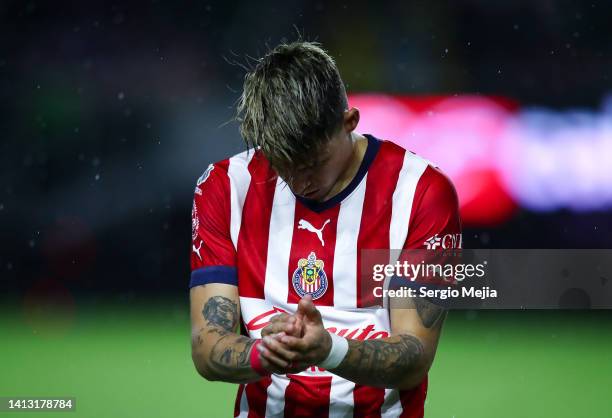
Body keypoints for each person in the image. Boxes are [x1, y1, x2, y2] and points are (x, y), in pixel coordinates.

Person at [189, 40, 461, 417]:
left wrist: (327, 350)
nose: (300, 183)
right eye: (284, 165)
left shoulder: (422, 192)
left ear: (350, 122)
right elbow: (206, 347)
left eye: (313, 163)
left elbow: (415, 355)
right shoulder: (224, 187)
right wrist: (264, 352)